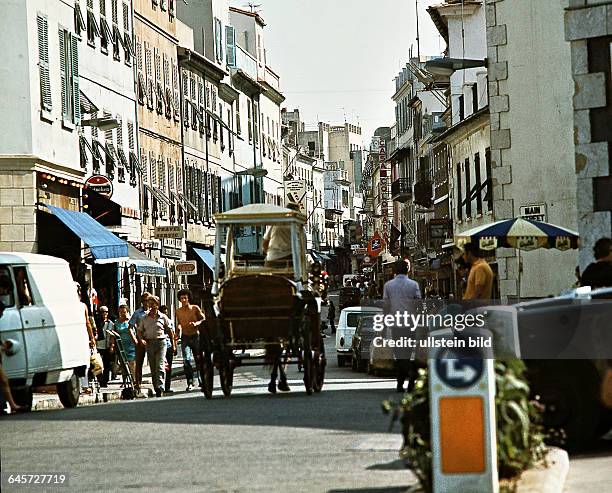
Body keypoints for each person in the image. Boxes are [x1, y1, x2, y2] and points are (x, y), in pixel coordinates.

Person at [383, 260, 421, 393]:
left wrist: (384, 324)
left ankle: (401, 383)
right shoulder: (414, 285)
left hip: (396, 324)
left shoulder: (388, 285)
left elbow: (386, 306)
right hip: (410, 324)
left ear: (394, 270)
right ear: (408, 270)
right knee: (408, 352)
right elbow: (418, 305)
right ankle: (410, 377)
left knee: (400, 353)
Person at [137, 296, 174, 398]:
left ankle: (160, 387)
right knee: (153, 367)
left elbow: (170, 331)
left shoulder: (163, 317)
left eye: (153, 304)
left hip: (161, 343)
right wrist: (141, 340)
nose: (151, 306)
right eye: (149, 304)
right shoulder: (144, 318)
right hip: (149, 343)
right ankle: (156, 386)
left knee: (160, 365)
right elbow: (139, 331)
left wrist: (173, 345)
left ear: (157, 305)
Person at [175, 289, 205, 392]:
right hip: (185, 337)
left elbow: (203, 319)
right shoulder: (178, 311)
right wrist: (178, 329)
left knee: (198, 359)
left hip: (195, 336)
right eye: (182, 298)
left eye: (185, 298)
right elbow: (179, 322)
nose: (183, 300)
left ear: (188, 299)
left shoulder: (195, 308)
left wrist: (197, 323)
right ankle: (190, 382)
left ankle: (201, 380)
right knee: (186, 360)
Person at [262, 202, 301, 268]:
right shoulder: (298, 226)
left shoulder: (275, 224)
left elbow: (265, 243)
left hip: (272, 258)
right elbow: (302, 247)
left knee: (267, 275)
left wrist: (269, 253)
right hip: (290, 259)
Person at [111, 303, 138, 389]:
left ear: (127, 312)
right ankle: (124, 381)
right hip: (121, 346)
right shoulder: (116, 322)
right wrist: (112, 345)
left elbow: (137, 331)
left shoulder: (131, 321)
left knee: (132, 363)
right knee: (123, 364)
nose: (123, 314)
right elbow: (113, 334)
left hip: (131, 345)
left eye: (124, 312)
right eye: (121, 312)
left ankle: (133, 381)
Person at [129, 292, 151, 390]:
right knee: (139, 362)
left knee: (155, 362)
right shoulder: (137, 313)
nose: (147, 303)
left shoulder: (153, 312)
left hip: (152, 339)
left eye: (148, 301)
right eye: (145, 301)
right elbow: (130, 327)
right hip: (140, 339)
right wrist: (134, 338)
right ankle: (138, 383)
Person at [159, 305, 177, 394]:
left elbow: (172, 334)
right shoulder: (157, 321)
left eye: (166, 312)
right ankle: (160, 386)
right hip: (160, 346)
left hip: (168, 345)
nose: (165, 314)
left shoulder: (169, 321)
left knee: (168, 367)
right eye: (163, 312)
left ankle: (167, 386)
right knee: (160, 367)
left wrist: (174, 346)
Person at [95, 306, 114, 387]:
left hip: (107, 346)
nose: (104, 313)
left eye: (106, 312)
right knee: (98, 364)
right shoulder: (97, 323)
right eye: (102, 312)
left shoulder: (111, 323)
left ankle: (105, 381)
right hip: (99, 346)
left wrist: (112, 346)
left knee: (107, 365)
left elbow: (113, 336)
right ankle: (99, 380)